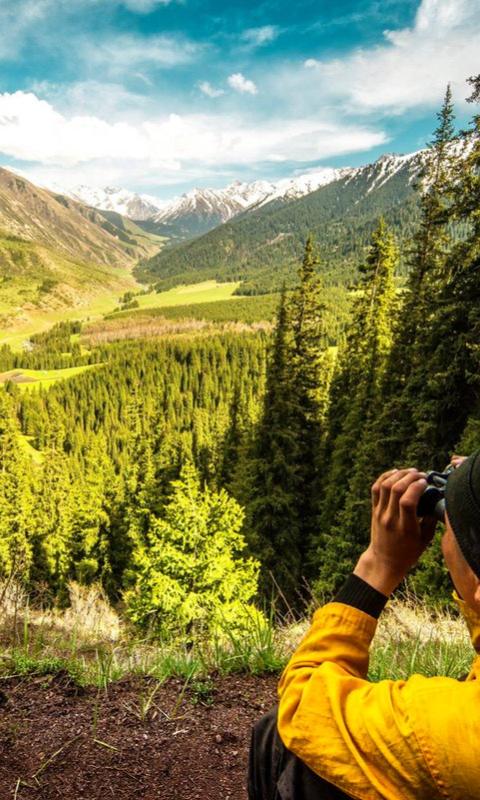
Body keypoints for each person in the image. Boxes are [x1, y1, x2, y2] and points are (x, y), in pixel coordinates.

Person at [248, 452, 480, 800]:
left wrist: (378, 564)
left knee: (283, 741)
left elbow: (302, 705)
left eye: (453, 529)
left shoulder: (447, 728)